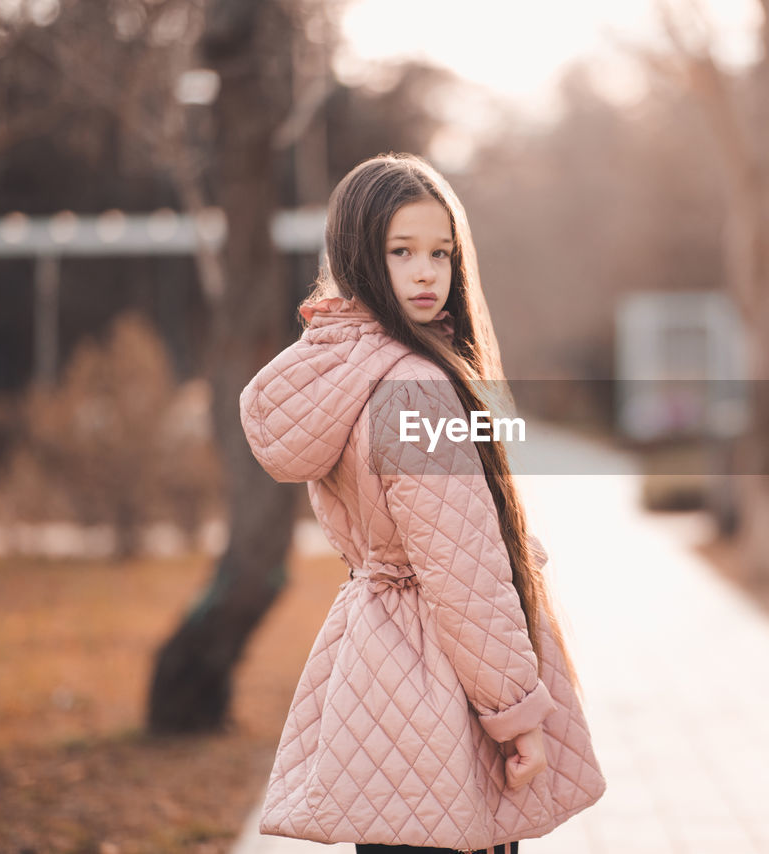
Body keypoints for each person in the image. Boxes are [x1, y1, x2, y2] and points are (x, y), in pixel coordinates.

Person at [238, 152, 606, 854]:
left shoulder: (349, 371)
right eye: (400, 251)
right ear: (358, 257)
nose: (426, 272)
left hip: (375, 672)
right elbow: (463, 575)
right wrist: (515, 715)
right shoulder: (414, 387)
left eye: (441, 252)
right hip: (442, 686)